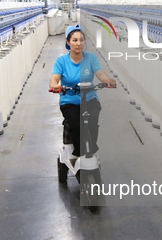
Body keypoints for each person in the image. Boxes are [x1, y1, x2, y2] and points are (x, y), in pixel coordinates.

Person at [49, 25, 116, 157]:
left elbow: (100, 73)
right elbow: (53, 80)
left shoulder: (91, 58)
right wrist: (55, 85)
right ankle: (79, 152)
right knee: (76, 123)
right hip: (69, 100)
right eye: (74, 40)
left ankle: (91, 148)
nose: (78, 43)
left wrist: (107, 80)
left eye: (81, 40)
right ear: (68, 42)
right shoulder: (61, 61)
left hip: (89, 98)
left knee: (92, 121)